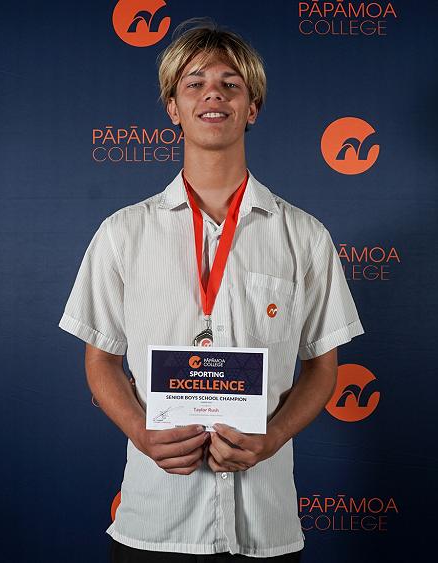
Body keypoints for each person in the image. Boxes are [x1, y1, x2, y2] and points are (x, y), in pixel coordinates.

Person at [60, 19, 363, 562]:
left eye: (230, 84)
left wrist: (273, 438)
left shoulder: (304, 235)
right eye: (195, 83)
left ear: (253, 108)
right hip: (155, 523)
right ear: (173, 108)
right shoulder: (123, 233)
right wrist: (141, 433)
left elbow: (323, 368)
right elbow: (100, 360)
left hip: (265, 526)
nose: (213, 95)